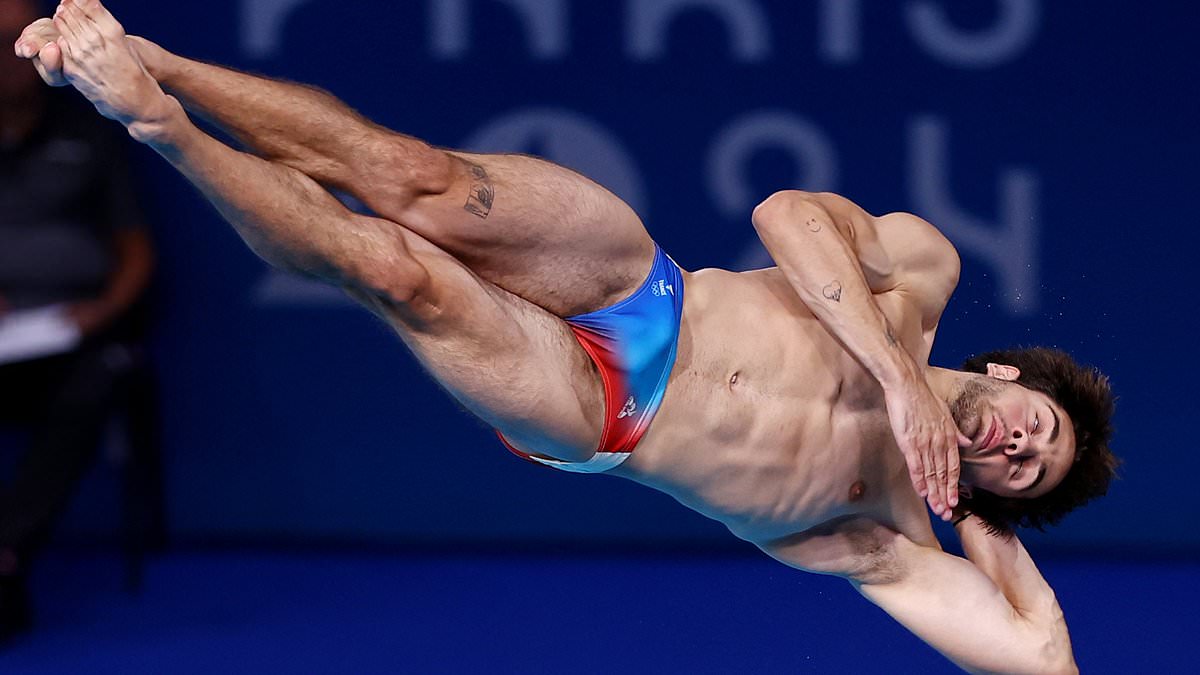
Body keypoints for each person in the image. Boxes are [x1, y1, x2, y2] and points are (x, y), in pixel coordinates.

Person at [16, 2, 1117, 671]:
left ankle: (154, 125)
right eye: (1040, 427)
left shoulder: (886, 535)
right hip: (649, 289)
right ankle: (165, 65)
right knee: (412, 180)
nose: (1022, 444)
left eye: (1030, 469)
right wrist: (899, 378)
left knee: (398, 276)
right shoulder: (922, 276)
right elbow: (786, 216)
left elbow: (1038, 655)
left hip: (603, 413)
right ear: (1008, 372)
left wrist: (981, 517)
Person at [0, 0, 153, 641]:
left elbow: (136, 250)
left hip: (71, 336)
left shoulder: (89, 130)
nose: (11, 57)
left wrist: (102, 312)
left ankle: (6, 553)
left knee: (93, 386)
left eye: (20, 38)